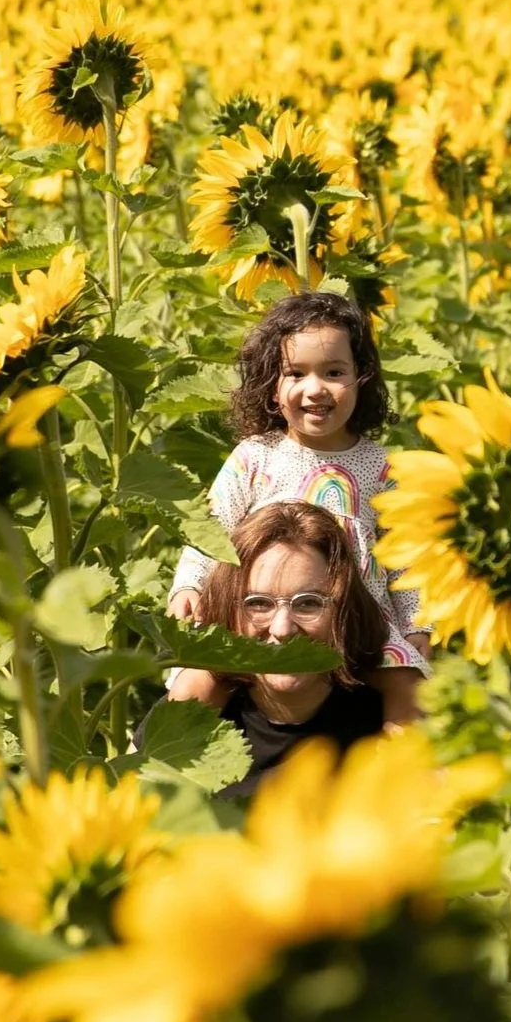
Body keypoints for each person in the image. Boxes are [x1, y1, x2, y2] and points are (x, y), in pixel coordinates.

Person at [166, 291, 430, 726]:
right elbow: (210, 528)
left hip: (360, 623)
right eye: (295, 373)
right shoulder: (256, 456)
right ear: (272, 385)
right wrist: (188, 587)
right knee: (199, 679)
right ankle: (158, 762)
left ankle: (408, 772)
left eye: (333, 372)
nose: (314, 389)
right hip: (262, 619)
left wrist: (418, 625)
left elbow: (406, 555)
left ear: (361, 379)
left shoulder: (381, 466)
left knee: (406, 684)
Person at [175, 501, 391, 800]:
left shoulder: (390, 726)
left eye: (308, 603)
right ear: (229, 610)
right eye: (258, 603)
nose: (282, 628)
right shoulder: (189, 716)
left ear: (343, 610)